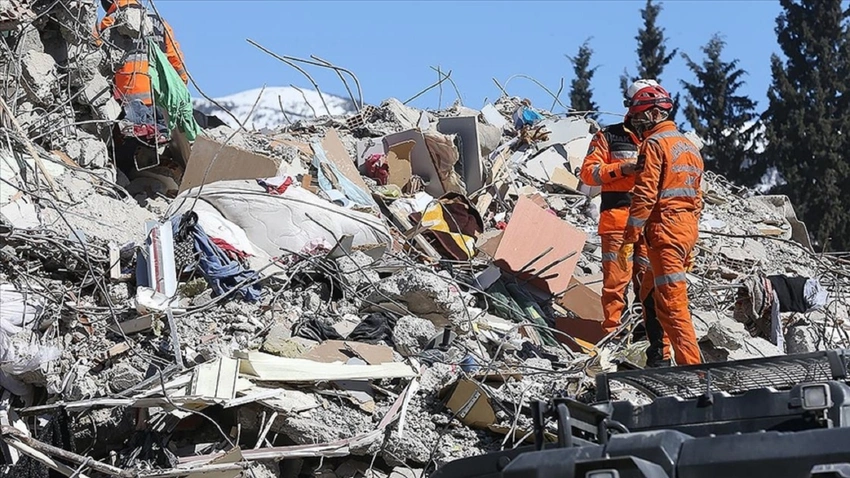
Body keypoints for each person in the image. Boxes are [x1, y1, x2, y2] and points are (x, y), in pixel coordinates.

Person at [579, 79, 668, 368]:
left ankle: (648, 340)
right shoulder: (609, 136)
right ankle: (612, 341)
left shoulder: (658, 138)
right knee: (615, 285)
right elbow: (588, 173)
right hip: (617, 223)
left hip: (649, 224)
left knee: (648, 283)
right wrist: (623, 168)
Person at [617, 82, 704, 366]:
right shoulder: (689, 148)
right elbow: (697, 200)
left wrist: (630, 236)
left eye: (639, 116)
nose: (636, 123)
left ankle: (695, 373)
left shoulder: (654, 145)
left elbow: (645, 193)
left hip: (664, 231)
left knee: (673, 305)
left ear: (655, 113)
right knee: (650, 293)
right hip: (683, 230)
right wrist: (689, 247)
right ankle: (659, 357)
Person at [96, 0, 188, 112]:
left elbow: (97, 60)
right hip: (161, 99)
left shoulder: (110, 21)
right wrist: (181, 91)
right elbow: (176, 61)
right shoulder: (160, 22)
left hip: (127, 100)